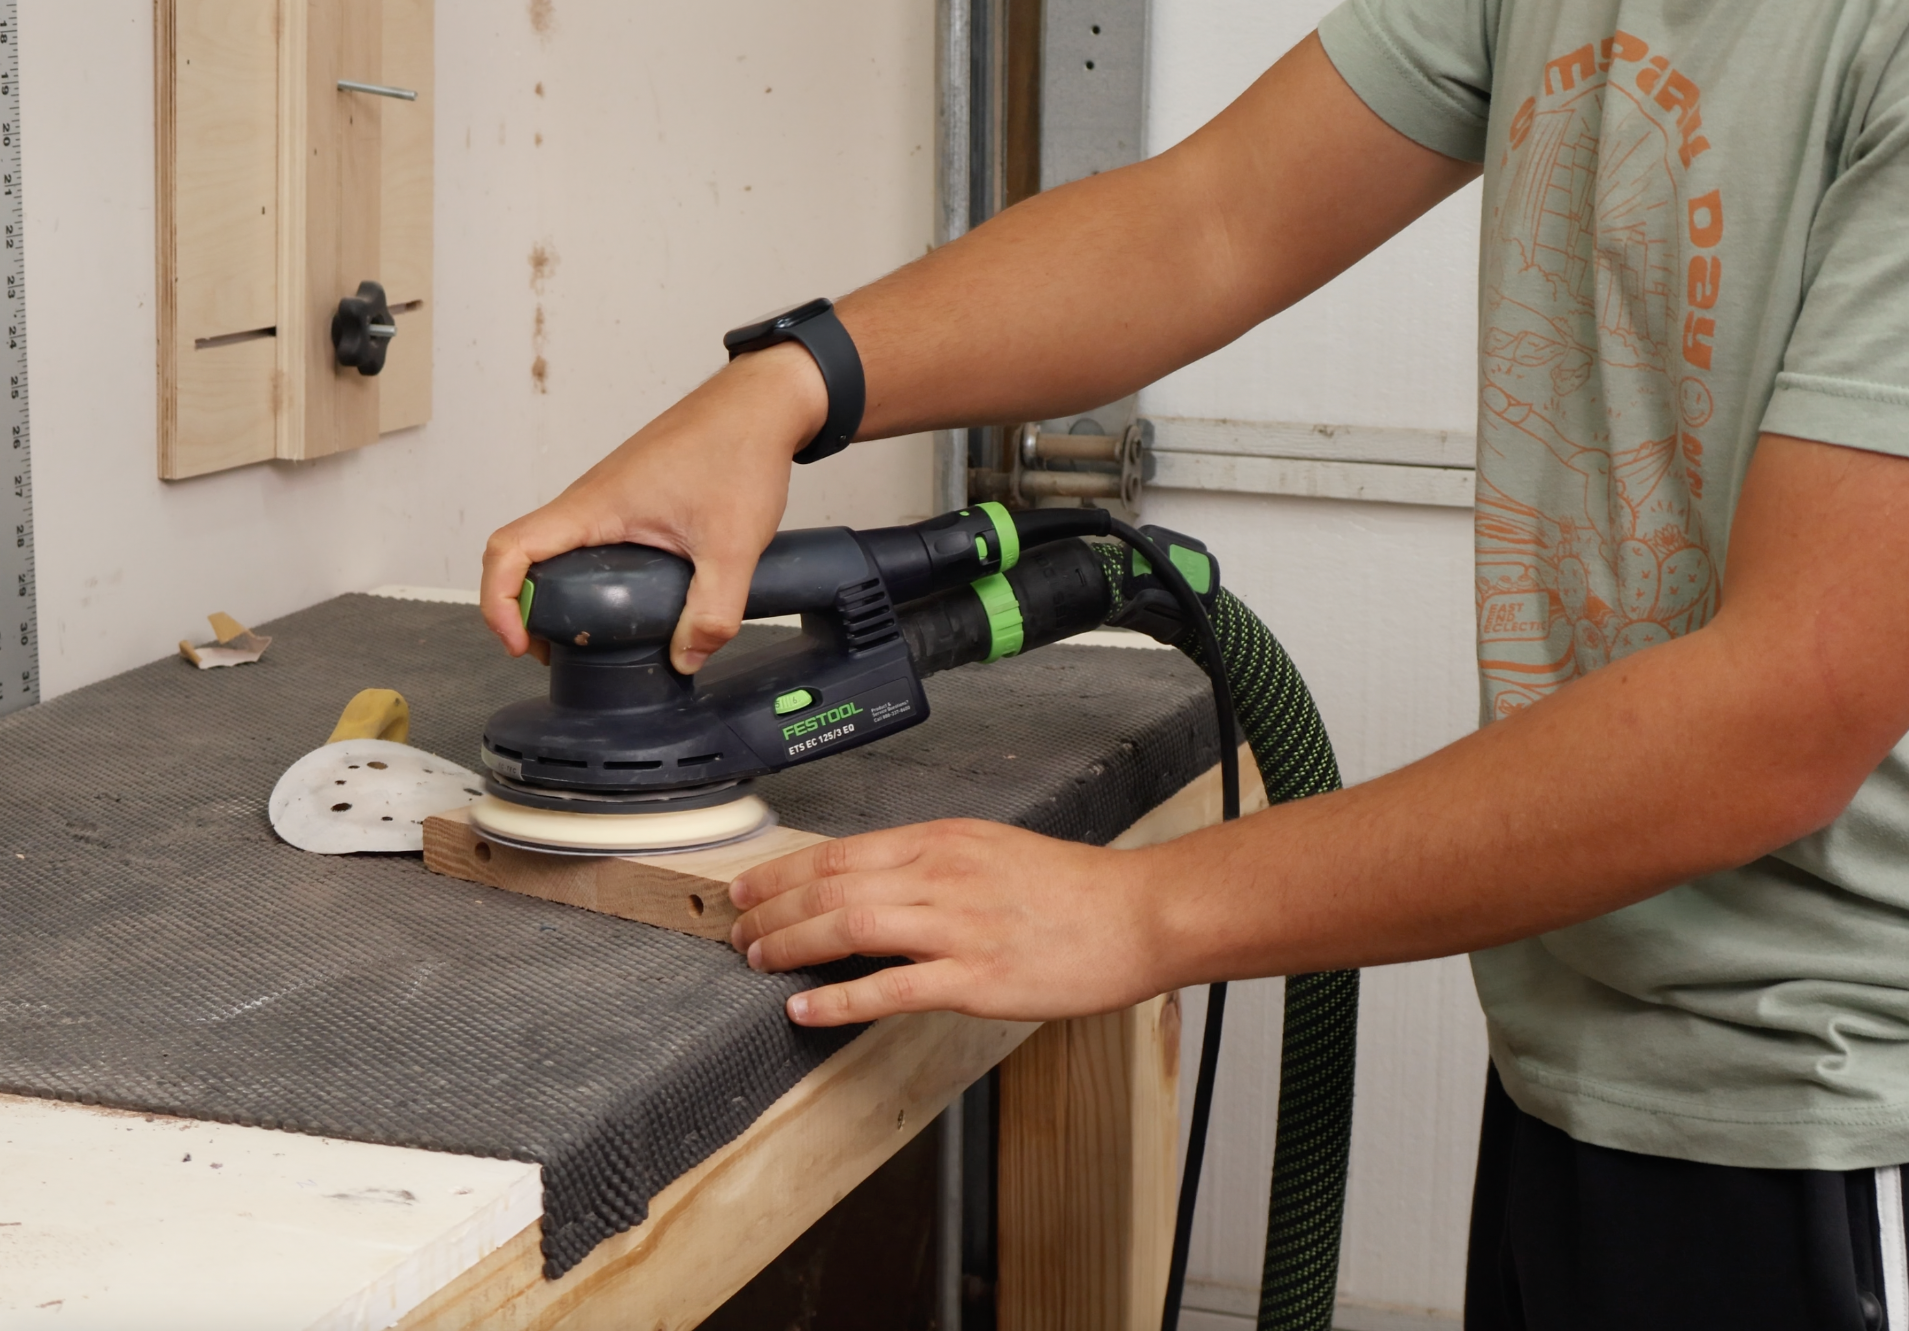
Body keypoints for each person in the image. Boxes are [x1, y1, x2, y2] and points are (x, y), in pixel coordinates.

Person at [479, 4, 1909, 1325]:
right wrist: (780, 388)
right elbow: (1209, 223)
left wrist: (1144, 909)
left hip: (1831, 1109)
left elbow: (1787, 707)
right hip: (1586, 1058)